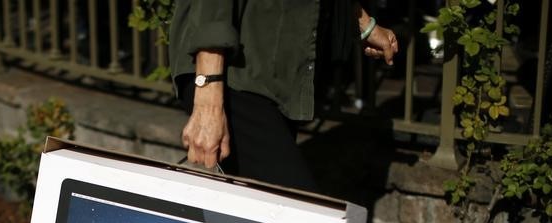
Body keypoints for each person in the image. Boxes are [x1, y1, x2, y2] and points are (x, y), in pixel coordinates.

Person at [169, 1, 398, 191]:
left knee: (263, 219)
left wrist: (363, 23)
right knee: (301, 214)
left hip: (273, 74)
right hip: (229, 73)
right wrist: (208, 95)